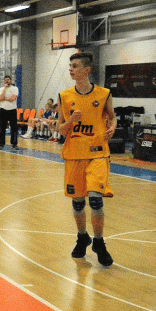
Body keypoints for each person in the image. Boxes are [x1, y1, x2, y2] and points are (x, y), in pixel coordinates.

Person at [57, 52, 117, 267]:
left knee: (95, 199)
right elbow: (61, 130)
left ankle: (99, 242)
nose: (71, 69)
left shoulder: (103, 94)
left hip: (98, 152)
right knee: (78, 202)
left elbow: (112, 117)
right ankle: (82, 236)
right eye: (70, 66)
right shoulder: (64, 96)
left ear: (87, 70)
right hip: (74, 154)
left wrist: (112, 127)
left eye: (74, 66)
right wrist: (71, 121)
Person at [0, 75, 19, 148]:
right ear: (4, 81)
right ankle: (2, 143)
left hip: (12, 110)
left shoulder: (15, 88)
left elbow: (13, 98)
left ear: (11, 80)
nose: (7, 81)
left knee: (14, 127)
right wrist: (5, 89)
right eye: (6, 80)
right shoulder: (1, 89)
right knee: (2, 127)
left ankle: (14, 143)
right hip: (3, 110)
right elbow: (1, 98)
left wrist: (5, 99)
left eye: (8, 79)